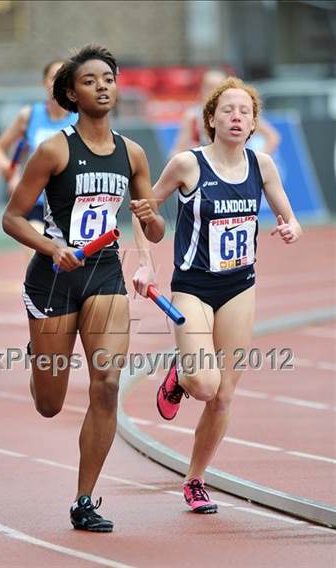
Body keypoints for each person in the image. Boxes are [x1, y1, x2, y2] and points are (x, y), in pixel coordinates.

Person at [2, 45, 164, 532]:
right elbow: (11, 218)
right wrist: (53, 249)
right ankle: (40, 351)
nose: (103, 86)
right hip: (53, 277)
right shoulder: (54, 149)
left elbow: (153, 230)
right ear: (71, 93)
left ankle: (85, 499)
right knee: (50, 404)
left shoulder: (131, 153)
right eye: (91, 80)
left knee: (108, 383)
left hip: (104, 275)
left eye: (109, 78)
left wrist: (151, 219)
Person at [133, 76, 301, 514]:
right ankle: (181, 376)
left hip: (240, 285)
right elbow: (143, 208)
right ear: (210, 118)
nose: (236, 117)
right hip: (193, 286)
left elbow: (287, 212)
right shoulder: (188, 164)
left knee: (224, 395)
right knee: (205, 385)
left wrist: (290, 226)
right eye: (227, 109)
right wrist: (145, 262)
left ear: (253, 123)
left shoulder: (262, 165)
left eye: (245, 111)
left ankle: (195, 479)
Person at [0, 59, 78, 258]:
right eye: (53, 77)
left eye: (64, 77)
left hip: (70, 203)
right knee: (38, 254)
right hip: (37, 201)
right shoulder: (29, 116)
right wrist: (10, 174)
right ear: (44, 83)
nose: (58, 82)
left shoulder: (80, 118)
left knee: (70, 263)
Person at [170, 69, 280, 157]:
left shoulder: (241, 113)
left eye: (218, 87)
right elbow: (178, 150)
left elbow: (272, 137)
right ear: (202, 89)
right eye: (209, 87)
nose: (213, 92)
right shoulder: (192, 116)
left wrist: (256, 164)